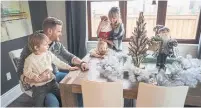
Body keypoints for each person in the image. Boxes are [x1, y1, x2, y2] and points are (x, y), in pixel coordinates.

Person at [17, 17, 88, 107]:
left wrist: (82, 63)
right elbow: (20, 71)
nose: (61, 34)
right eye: (59, 31)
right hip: (39, 85)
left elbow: (69, 56)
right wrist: (36, 79)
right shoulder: (31, 47)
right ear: (50, 31)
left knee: (77, 84)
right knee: (53, 102)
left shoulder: (56, 45)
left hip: (54, 76)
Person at [23, 32, 79, 107]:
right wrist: (35, 76)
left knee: (62, 98)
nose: (48, 45)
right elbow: (26, 72)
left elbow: (58, 62)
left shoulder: (48, 54)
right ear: (36, 47)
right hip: (39, 87)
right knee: (38, 104)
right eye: (45, 44)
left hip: (52, 83)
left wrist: (69, 67)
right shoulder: (29, 60)